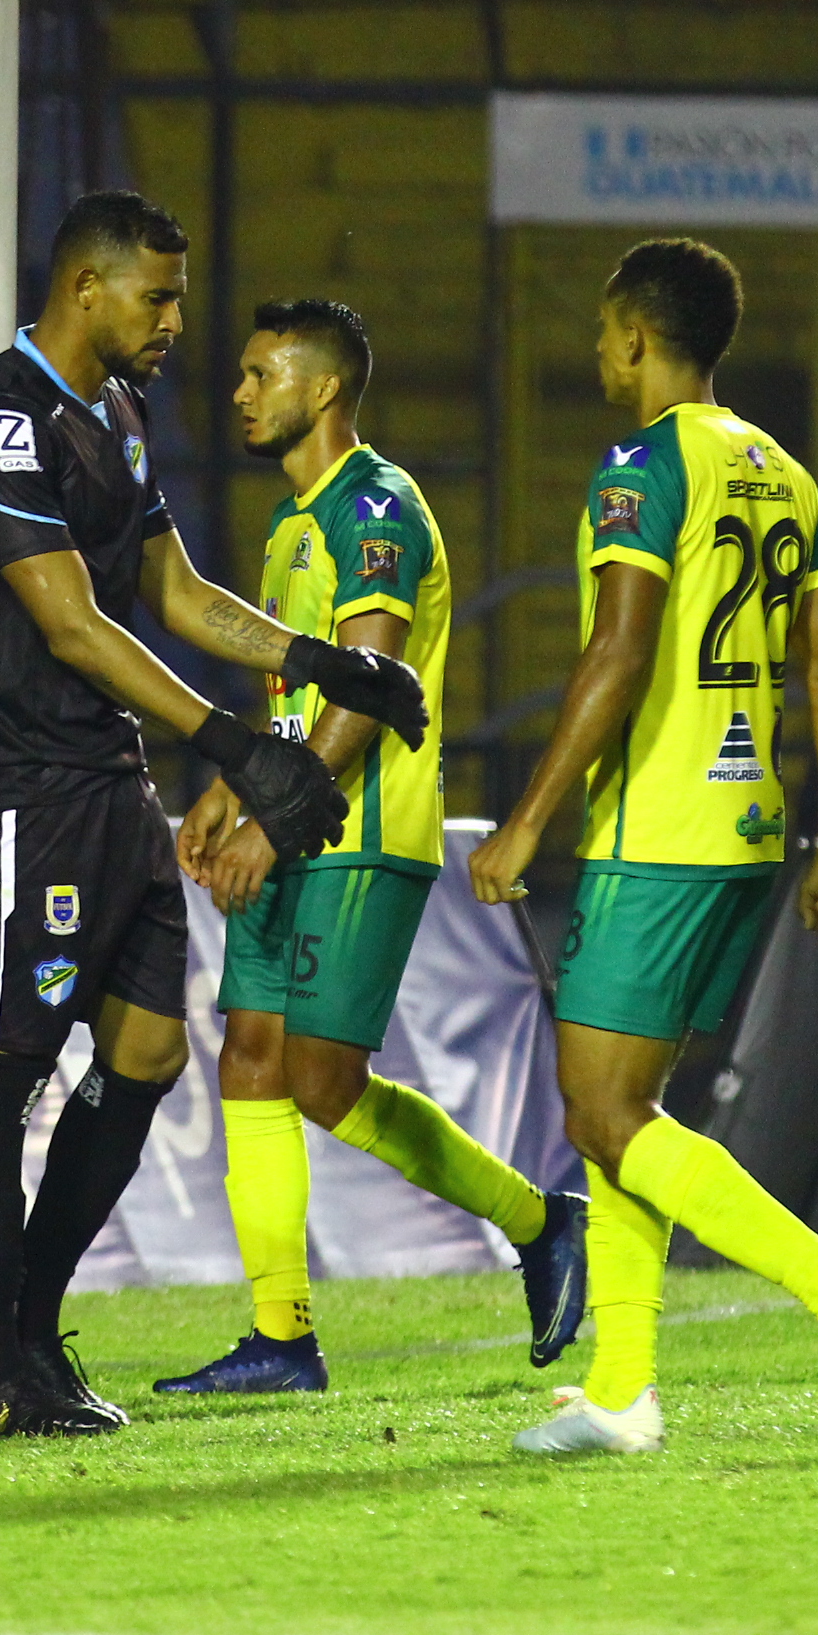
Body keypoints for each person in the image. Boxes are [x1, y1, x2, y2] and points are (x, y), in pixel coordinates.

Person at [0, 191, 425, 1438]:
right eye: (158, 296)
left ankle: (33, 1339)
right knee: (9, 1072)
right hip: (15, 786)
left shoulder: (117, 415)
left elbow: (172, 589)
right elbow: (71, 624)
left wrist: (322, 664)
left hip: (104, 779)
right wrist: (240, 748)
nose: (176, 322)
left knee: (146, 1054)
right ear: (85, 288)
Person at [468, 236, 818, 1457]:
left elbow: (616, 653)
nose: (597, 352)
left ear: (634, 337)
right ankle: (621, 1391)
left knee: (602, 1109)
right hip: (747, 828)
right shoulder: (784, 471)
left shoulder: (640, 467)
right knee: (630, 1107)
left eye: (604, 331)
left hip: (655, 831)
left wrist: (525, 819)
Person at [158, 298, 587, 1396]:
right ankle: (279, 1339)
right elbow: (303, 699)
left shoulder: (376, 508)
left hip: (358, 831)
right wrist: (232, 779)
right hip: (294, 812)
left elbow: (369, 691)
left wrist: (272, 815)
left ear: (325, 390)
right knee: (253, 1057)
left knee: (323, 1080)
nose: (242, 392)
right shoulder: (293, 522)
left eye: (263, 374)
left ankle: (541, 1223)